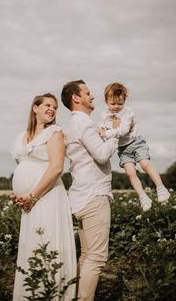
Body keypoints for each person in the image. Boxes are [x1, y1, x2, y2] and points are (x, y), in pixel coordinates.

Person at [10, 93, 76, 301]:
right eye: (47, 105)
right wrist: (23, 195)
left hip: (46, 197)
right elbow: (22, 165)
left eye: (55, 107)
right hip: (30, 201)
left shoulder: (54, 132)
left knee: (46, 242)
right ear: (35, 108)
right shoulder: (21, 135)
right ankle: (32, 294)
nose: (52, 109)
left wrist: (32, 195)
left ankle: (50, 294)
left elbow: (56, 168)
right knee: (32, 243)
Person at [61, 80, 119, 301]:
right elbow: (102, 155)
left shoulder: (75, 124)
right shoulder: (84, 123)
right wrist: (114, 134)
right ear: (76, 98)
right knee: (96, 258)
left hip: (81, 197)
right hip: (94, 196)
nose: (92, 96)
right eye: (87, 92)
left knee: (86, 256)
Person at [99, 82, 170, 212]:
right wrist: (101, 133)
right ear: (106, 101)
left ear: (124, 101)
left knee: (145, 164)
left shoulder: (128, 112)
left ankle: (161, 188)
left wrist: (107, 133)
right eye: (113, 104)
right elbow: (101, 130)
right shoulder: (104, 115)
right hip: (123, 149)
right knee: (130, 173)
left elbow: (123, 130)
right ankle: (143, 197)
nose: (116, 107)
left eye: (120, 104)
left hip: (135, 142)